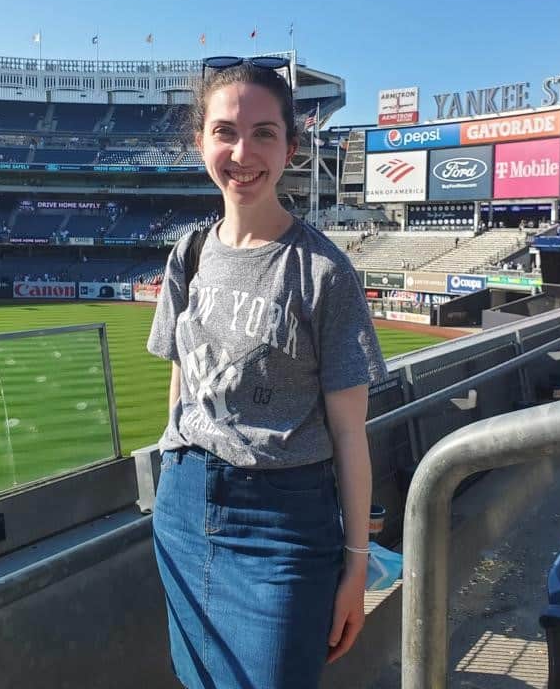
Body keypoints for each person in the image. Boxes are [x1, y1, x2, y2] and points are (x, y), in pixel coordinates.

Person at [147, 57, 386, 689]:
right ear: (201, 141)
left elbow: (351, 437)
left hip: (283, 524)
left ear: (290, 147)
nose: (242, 151)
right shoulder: (189, 252)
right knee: (195, 676)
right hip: (182, 503)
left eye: (263, 133)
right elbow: (181, 381)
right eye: (225, 131)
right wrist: (170, 455)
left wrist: (355, 568)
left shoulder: (324, 272)